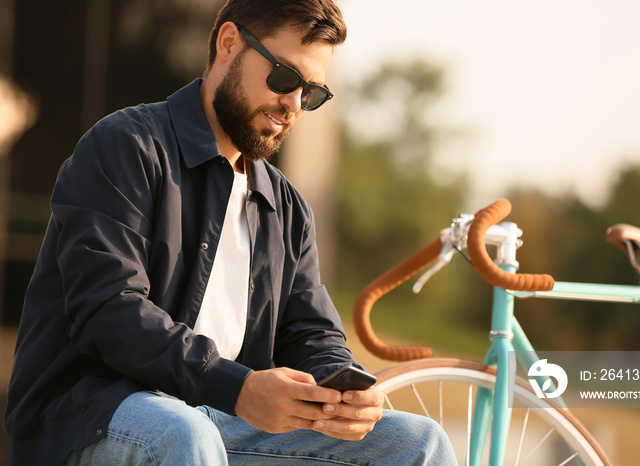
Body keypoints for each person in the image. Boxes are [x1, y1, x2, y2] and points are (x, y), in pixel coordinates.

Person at [4, 0, 458, 464]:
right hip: (93, 414)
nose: (294, 105)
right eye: (285, 79)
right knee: (184, 433)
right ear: (228, 43)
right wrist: (235, 387)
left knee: (417, 441)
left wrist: (341, 387)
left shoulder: (286, 207)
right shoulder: (126, 145)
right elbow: (106, 308)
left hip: (220, 419)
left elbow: (311, 332)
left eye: (313, 93)